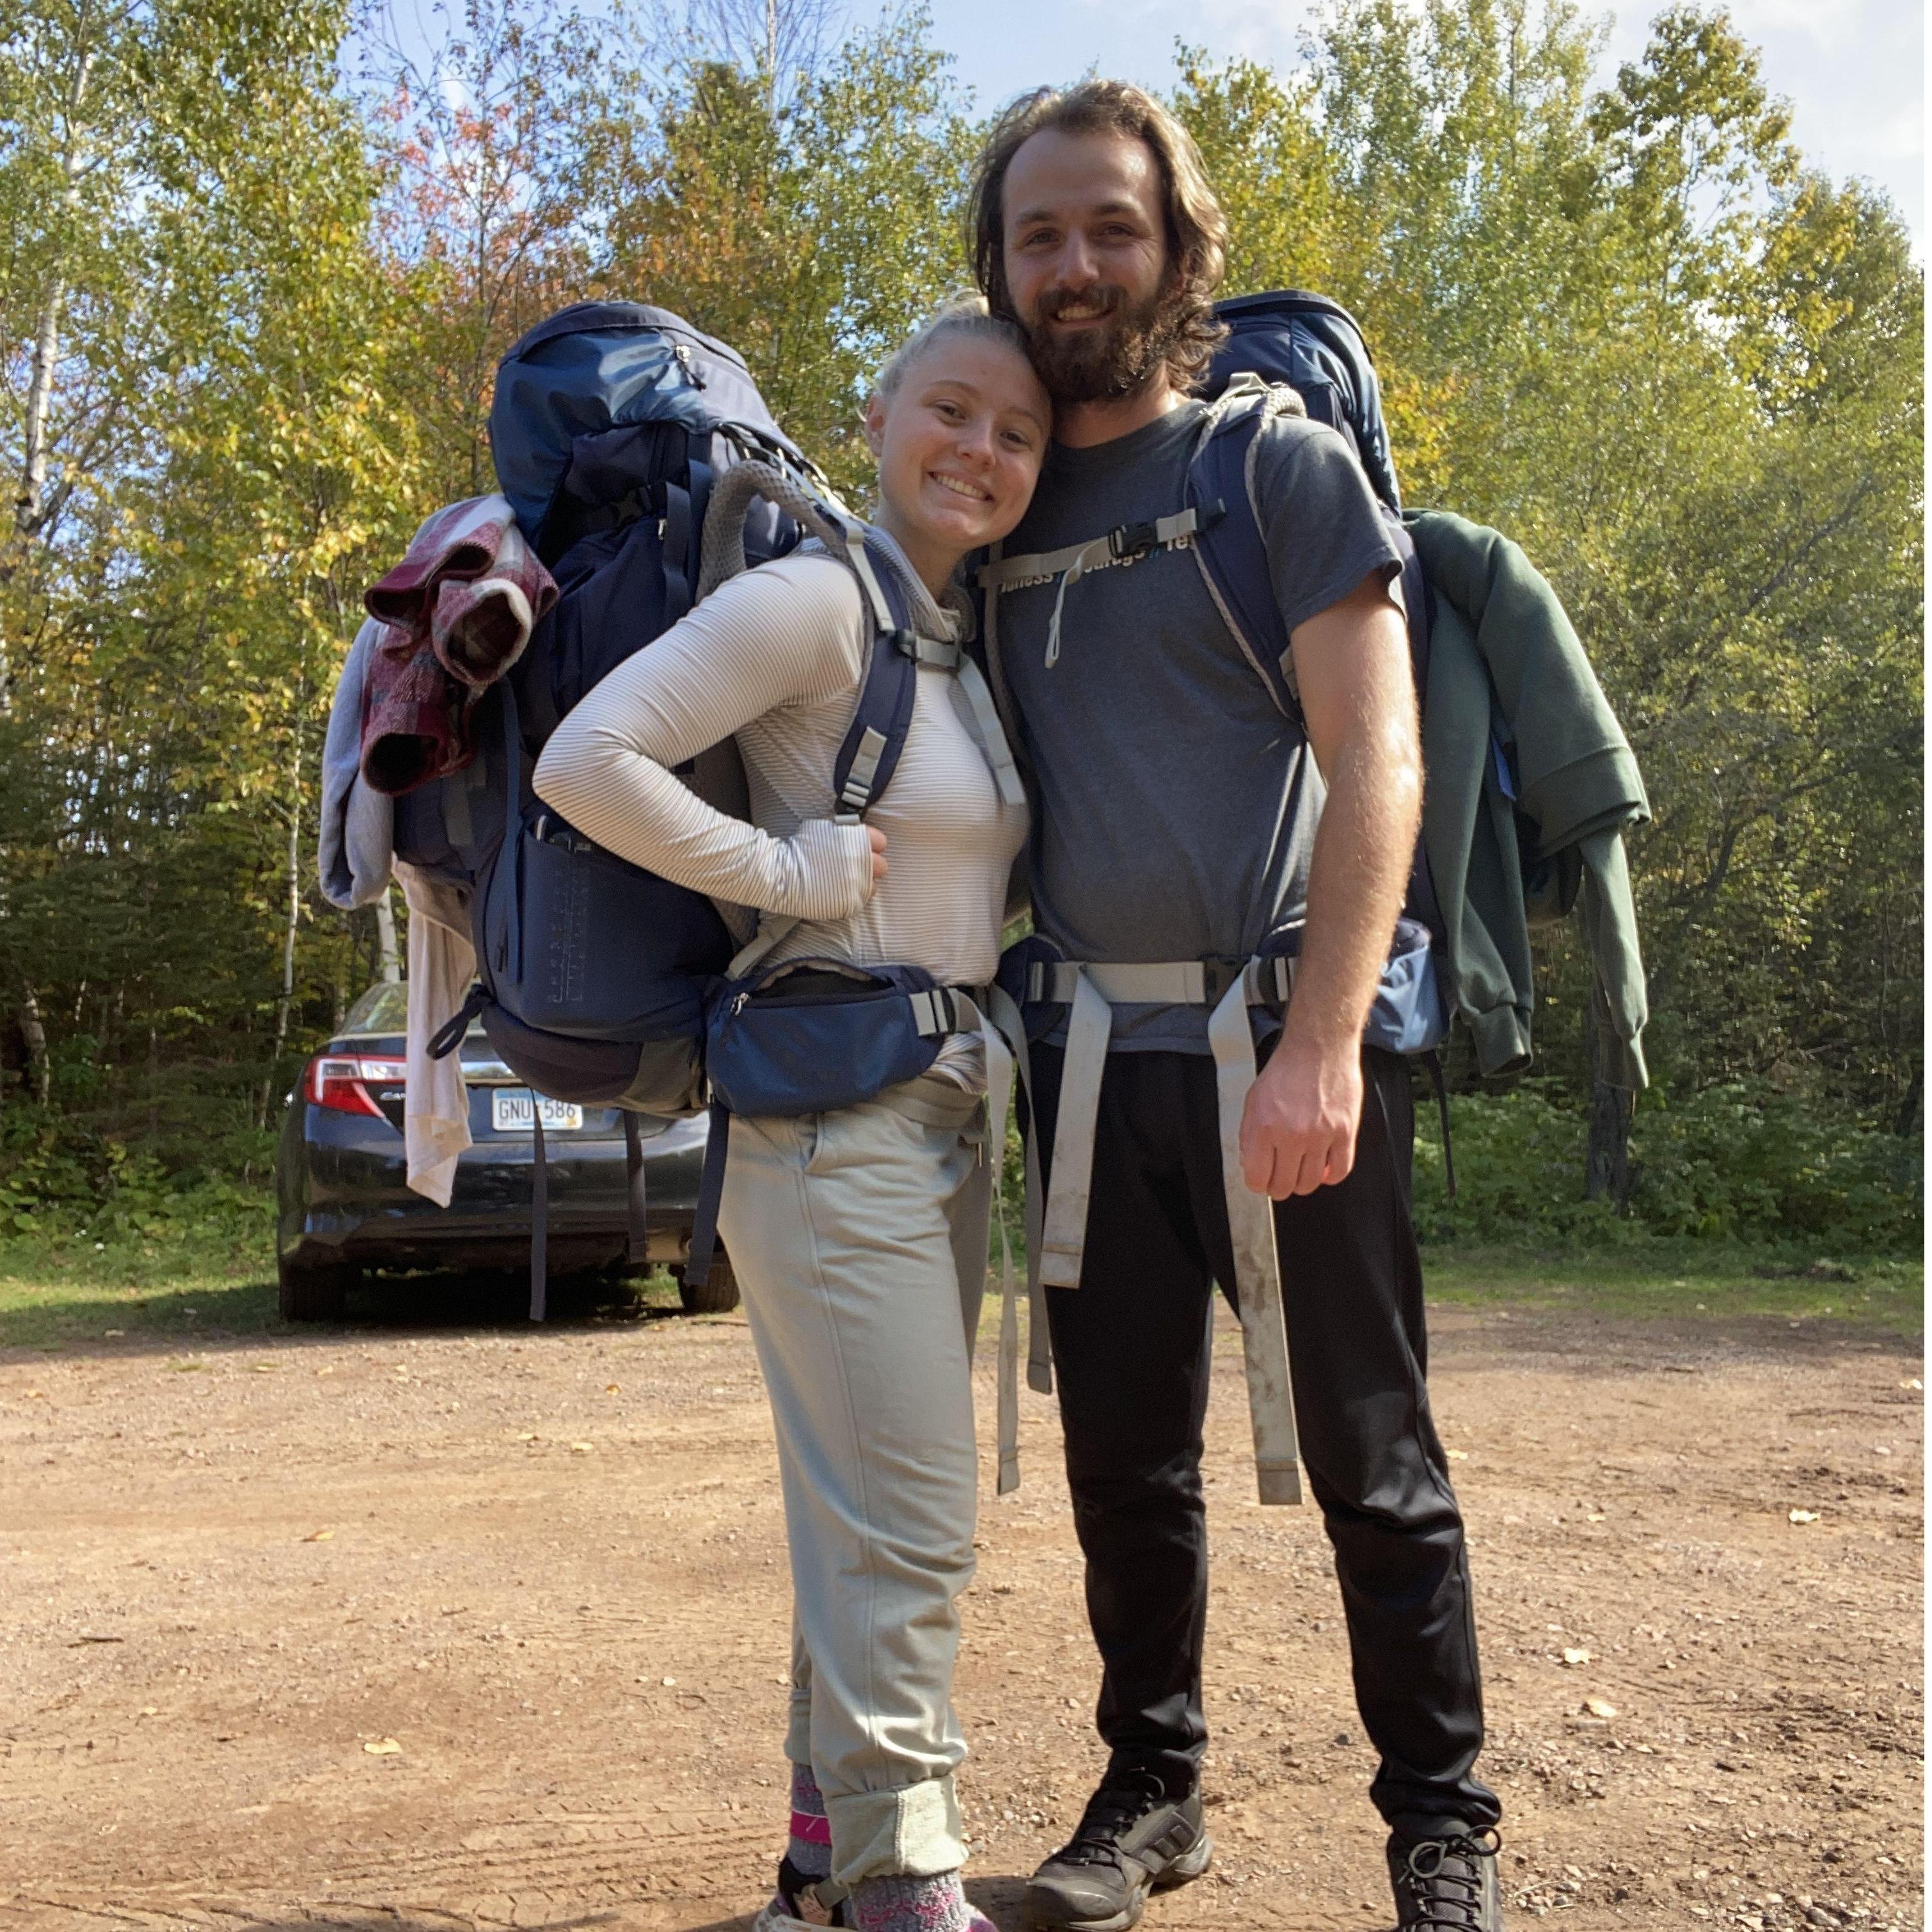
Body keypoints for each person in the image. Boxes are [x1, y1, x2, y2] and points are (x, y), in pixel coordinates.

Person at [964, 84, 1505, 1932]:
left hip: (1280, 1038)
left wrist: (1326, 1040)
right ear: (1001, 265)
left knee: (1371, 1447)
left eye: (1107, 225)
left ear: (1177, 248)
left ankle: (1440, 1824)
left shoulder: (1269, 468)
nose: (1072, 263)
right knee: (1122, 1455)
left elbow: (1379, 756)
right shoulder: (994, 492)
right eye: (1037, 233)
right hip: (1081, 1055)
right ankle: (1152, 1795)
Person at [533, 298, 1049, 1932]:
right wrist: (782, 873)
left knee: (863, 1507)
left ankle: (824, 1862)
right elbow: (585, 754)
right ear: (884, 415)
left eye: (1017, 432)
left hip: (933, 1112)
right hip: (829, 1125)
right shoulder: (819, 600)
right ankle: (905, 1880)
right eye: (950, 411)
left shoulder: (955, 644)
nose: (980, 449)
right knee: (911, 1515)